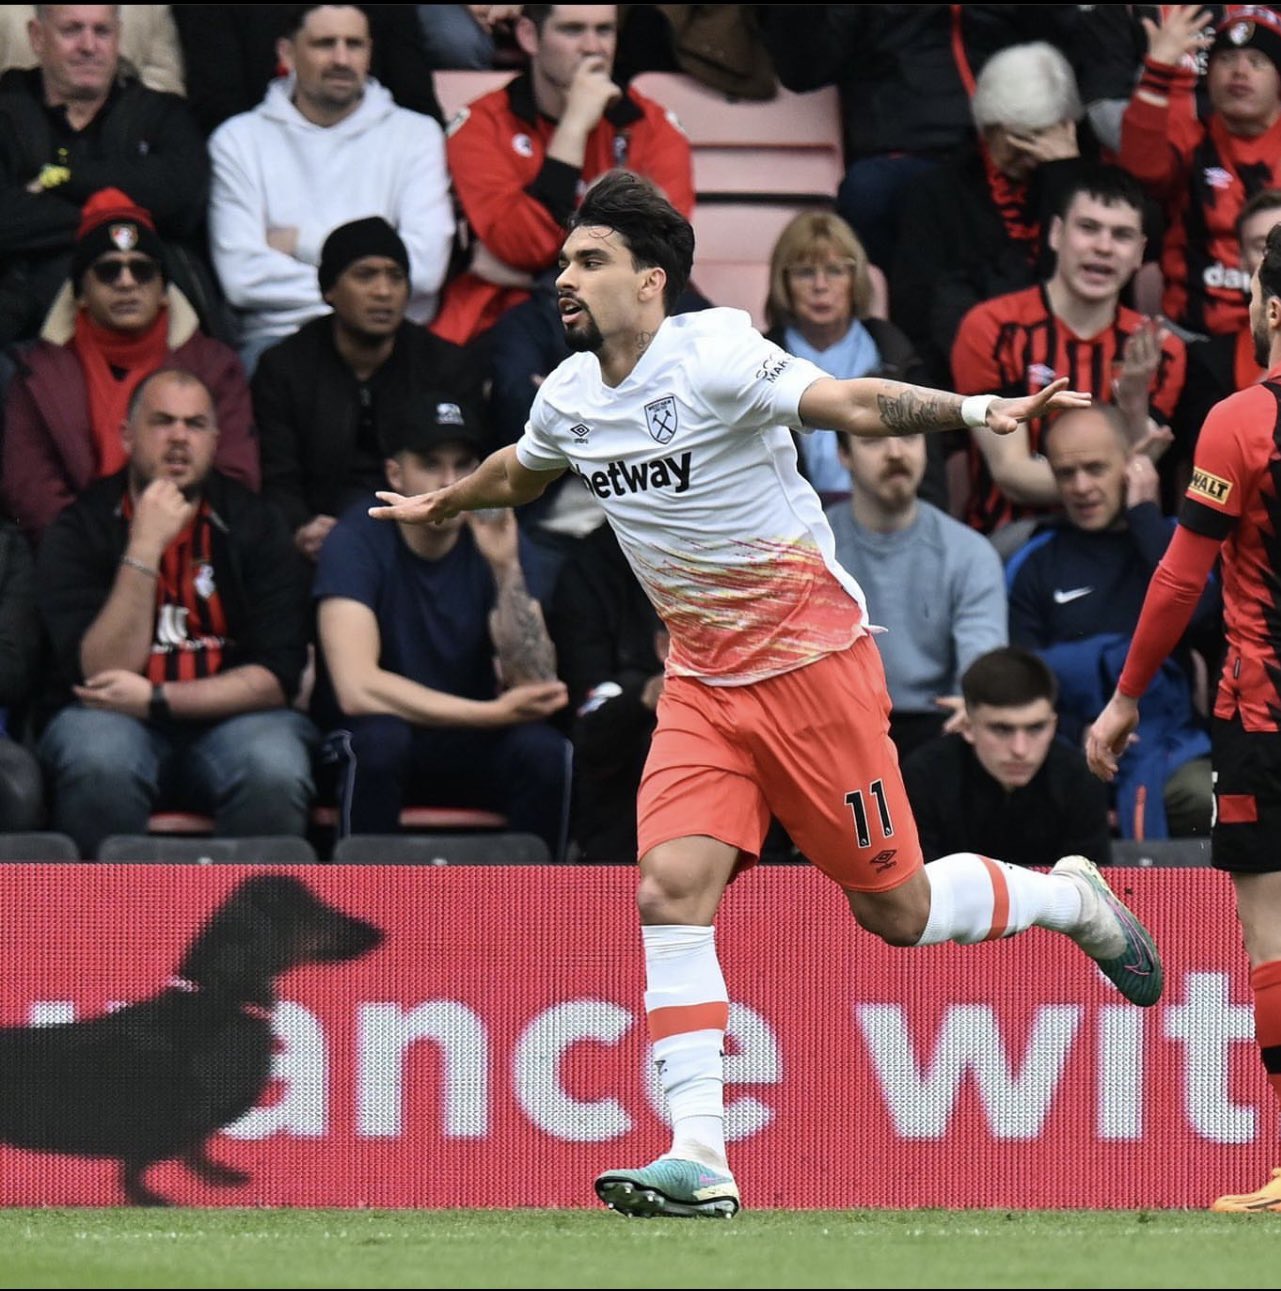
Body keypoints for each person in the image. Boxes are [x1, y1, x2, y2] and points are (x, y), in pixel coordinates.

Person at [370, 169, 1164, 1220]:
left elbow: (850, 400)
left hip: (813, 672)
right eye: (563, 260)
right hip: (702, 683)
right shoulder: (569, 392)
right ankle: (699, 1151)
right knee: (667, 887)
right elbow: (527, 466)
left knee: (900, 910)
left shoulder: (716, 354)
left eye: (590, 260)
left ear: (652, 281)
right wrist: (449, 496)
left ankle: (1071, 898)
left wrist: (975, 409)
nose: (565, 276)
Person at [1086, 219, 1281, 1214]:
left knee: (1272, 932)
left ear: (1270, 310)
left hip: (1266, 716)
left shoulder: (1241, 422)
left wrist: (1124, 698)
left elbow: (1178, 581)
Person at [34, 367, 317, 861]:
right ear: (127, 435)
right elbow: (101, 673)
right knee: (99, 760)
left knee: (272, 765)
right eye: (163, 422)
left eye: (195, 424)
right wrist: (143, 547)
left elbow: (277, 677)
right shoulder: (81, 527)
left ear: (215, 439)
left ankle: (257, 936)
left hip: (234, 719)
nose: (179, 438)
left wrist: (157, 699)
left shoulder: (256, 524)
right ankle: (100, 930)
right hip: (108, 720)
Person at [311, 395, 571, 858]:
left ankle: (535, 918)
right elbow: (357, 688)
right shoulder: (357, 539)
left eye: (463, 465)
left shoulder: (496, 537)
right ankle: (363, 908)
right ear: (395, 475)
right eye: (431, 464)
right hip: (383, 733)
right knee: (379, 744)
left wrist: (506, 568)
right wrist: (491, 714)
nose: (449, 482)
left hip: (469, 741)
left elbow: (535, 685)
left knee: (546, 753)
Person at [2, 187, 260, 547]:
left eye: (142, 270)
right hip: (79, 555)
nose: (126, 283)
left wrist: (162, 542)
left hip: (194, 550)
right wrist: (100, 552)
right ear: (80, 294)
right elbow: (30, 488)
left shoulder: (214, 366)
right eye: (108, 271)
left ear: (163, 290)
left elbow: (235, 474)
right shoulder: (36, 373)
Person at [428, 3, 694, 348]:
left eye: (604, 30)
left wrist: (529, 276)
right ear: (529, 36)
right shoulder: (482, 125)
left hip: (624, 321)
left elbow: (659, 256)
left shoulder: (652, 126)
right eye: (572, 30)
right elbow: (521, 245)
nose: (592, 46)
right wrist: (574, 127)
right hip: (503, 317)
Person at [206, 3, 455, 373]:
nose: (341, 58)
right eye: (324, 43)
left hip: (393, 341)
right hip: (280, 338)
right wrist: (374, 285)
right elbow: (242, 278)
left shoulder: (416, 135)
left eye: (354, 45)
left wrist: (301, 244)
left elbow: (425, 269)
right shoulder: (238, 140)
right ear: (287, 53)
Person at [1007, 406, 1217, 839]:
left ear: (1130, 463)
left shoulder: (1168, 540)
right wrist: (1074, 731)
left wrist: (1143, 514)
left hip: (1169, 746)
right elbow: (1020, 679)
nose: (1081, 487)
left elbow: (1204, 616)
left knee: (1206, 797)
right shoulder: (1035, 560)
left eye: (1096, 468)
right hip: (1063, 746)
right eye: (1066, 473)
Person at [950, 164, 1186, 542]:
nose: (1104, 247)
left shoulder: (1160, 349)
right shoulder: (993, 328)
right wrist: (1119, 472)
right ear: (1056, 234)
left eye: (1121, 235)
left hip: (1119, 538)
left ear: (1140, 252)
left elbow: (1145, 467)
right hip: (1014, 535)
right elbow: (1014, 475)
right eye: (1088, 228)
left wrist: (1134, 402)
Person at [252, 216, 482, 565]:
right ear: (329, 289)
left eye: (396, 276)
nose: (383, 291)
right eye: (365, 275)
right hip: (316, 540)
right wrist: (301, 526)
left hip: (422, 533)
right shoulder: (284, 369)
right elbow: (277, 475)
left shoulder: (446, 367)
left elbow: (469, 468)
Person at [0, 3, 213, 347]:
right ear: (36, 37)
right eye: (71, 31)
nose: (89, 46)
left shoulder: (162, 115)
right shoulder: (7, 113)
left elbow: (183, 199)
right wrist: (128, 212)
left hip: (155, 336)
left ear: (118, 37)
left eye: (102, 31)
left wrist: (60, 180)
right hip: (22, 333)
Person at [891, 40, 1093, 388]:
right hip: (970, 368)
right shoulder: (936, 194)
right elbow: (921, 310)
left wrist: (1064, 174)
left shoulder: (1078, 184)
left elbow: (1087, 281)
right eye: (1019, 139)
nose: (1030, 155)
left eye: (1042, 139)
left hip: (1072, 363)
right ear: (989, 128)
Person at [826, 428, 1008, 761]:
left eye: (909, 437)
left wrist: (976, 701)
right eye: (873, 439)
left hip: (939, 728)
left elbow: (983, 667)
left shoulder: (969, 553)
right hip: (837, 731)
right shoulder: (813, 553)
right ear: (844, 454)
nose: (895, 452)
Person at [1118, 5, 1281, 339]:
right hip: (1191, 335)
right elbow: (1140, 172)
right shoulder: (1193, 138)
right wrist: (1159, 68)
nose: (1239, 72)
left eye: (1257, 62)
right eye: (1225, 60)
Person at [763, 208, 932, 507]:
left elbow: (931, 474)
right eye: (805, 272)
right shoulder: (758, 359)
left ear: (856, 279)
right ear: (784, 282)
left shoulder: (896, 354)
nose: (820, 286)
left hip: (886, 516)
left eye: (835, 271)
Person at [901, 647, 1112, 867]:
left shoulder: (1079, 779)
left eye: (1036, 728)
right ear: (968, 727)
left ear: (1053, 724)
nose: (1020, 750)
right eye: (1002, 729)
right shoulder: (924, 777)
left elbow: (1093, 890)